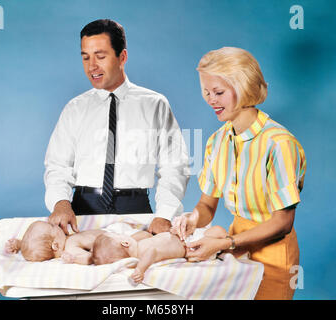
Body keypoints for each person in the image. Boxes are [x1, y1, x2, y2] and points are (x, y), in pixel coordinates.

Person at [171, 47, 306, 300]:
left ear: (244, 88)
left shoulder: (278, 143)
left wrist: (226, 244)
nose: (211, 100)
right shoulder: (216, 141)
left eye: (219, 92)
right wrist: (192, 219)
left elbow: (283, 223)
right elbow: (207, 204)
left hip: (274, 255)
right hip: (234, 248)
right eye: (206, 92)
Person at [44, 19, 190, 236]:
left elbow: (174, 166)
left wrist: (165, 214)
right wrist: (60, 202)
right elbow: (58, 165)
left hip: (136, 210)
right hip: (81, 211)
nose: (92, 66)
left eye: (100, 57)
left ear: (122, 57)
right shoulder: (74, 109)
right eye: (86, 57)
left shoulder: (154, 104)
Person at [92, 225, 227, 283]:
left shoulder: (139, 244)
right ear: (125, 243)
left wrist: (132, 237)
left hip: (184, 238)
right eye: (119, 235)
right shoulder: (142, 255)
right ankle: (228, 247)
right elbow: (152, 252)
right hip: (190, 246)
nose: (122, 234)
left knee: (216, 235)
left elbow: (145, 234)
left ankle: (224, 248)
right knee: (218, 231)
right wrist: (141, 269)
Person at [5, 220, 104, 264]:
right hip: (111, 241)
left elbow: (35, 244)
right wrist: (75, 259)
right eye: (52, 226)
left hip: (108, 235)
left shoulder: (65, 241)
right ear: (55, 245)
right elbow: (90, 258)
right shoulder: (70, 247)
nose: (55, 224)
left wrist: (20, 244)